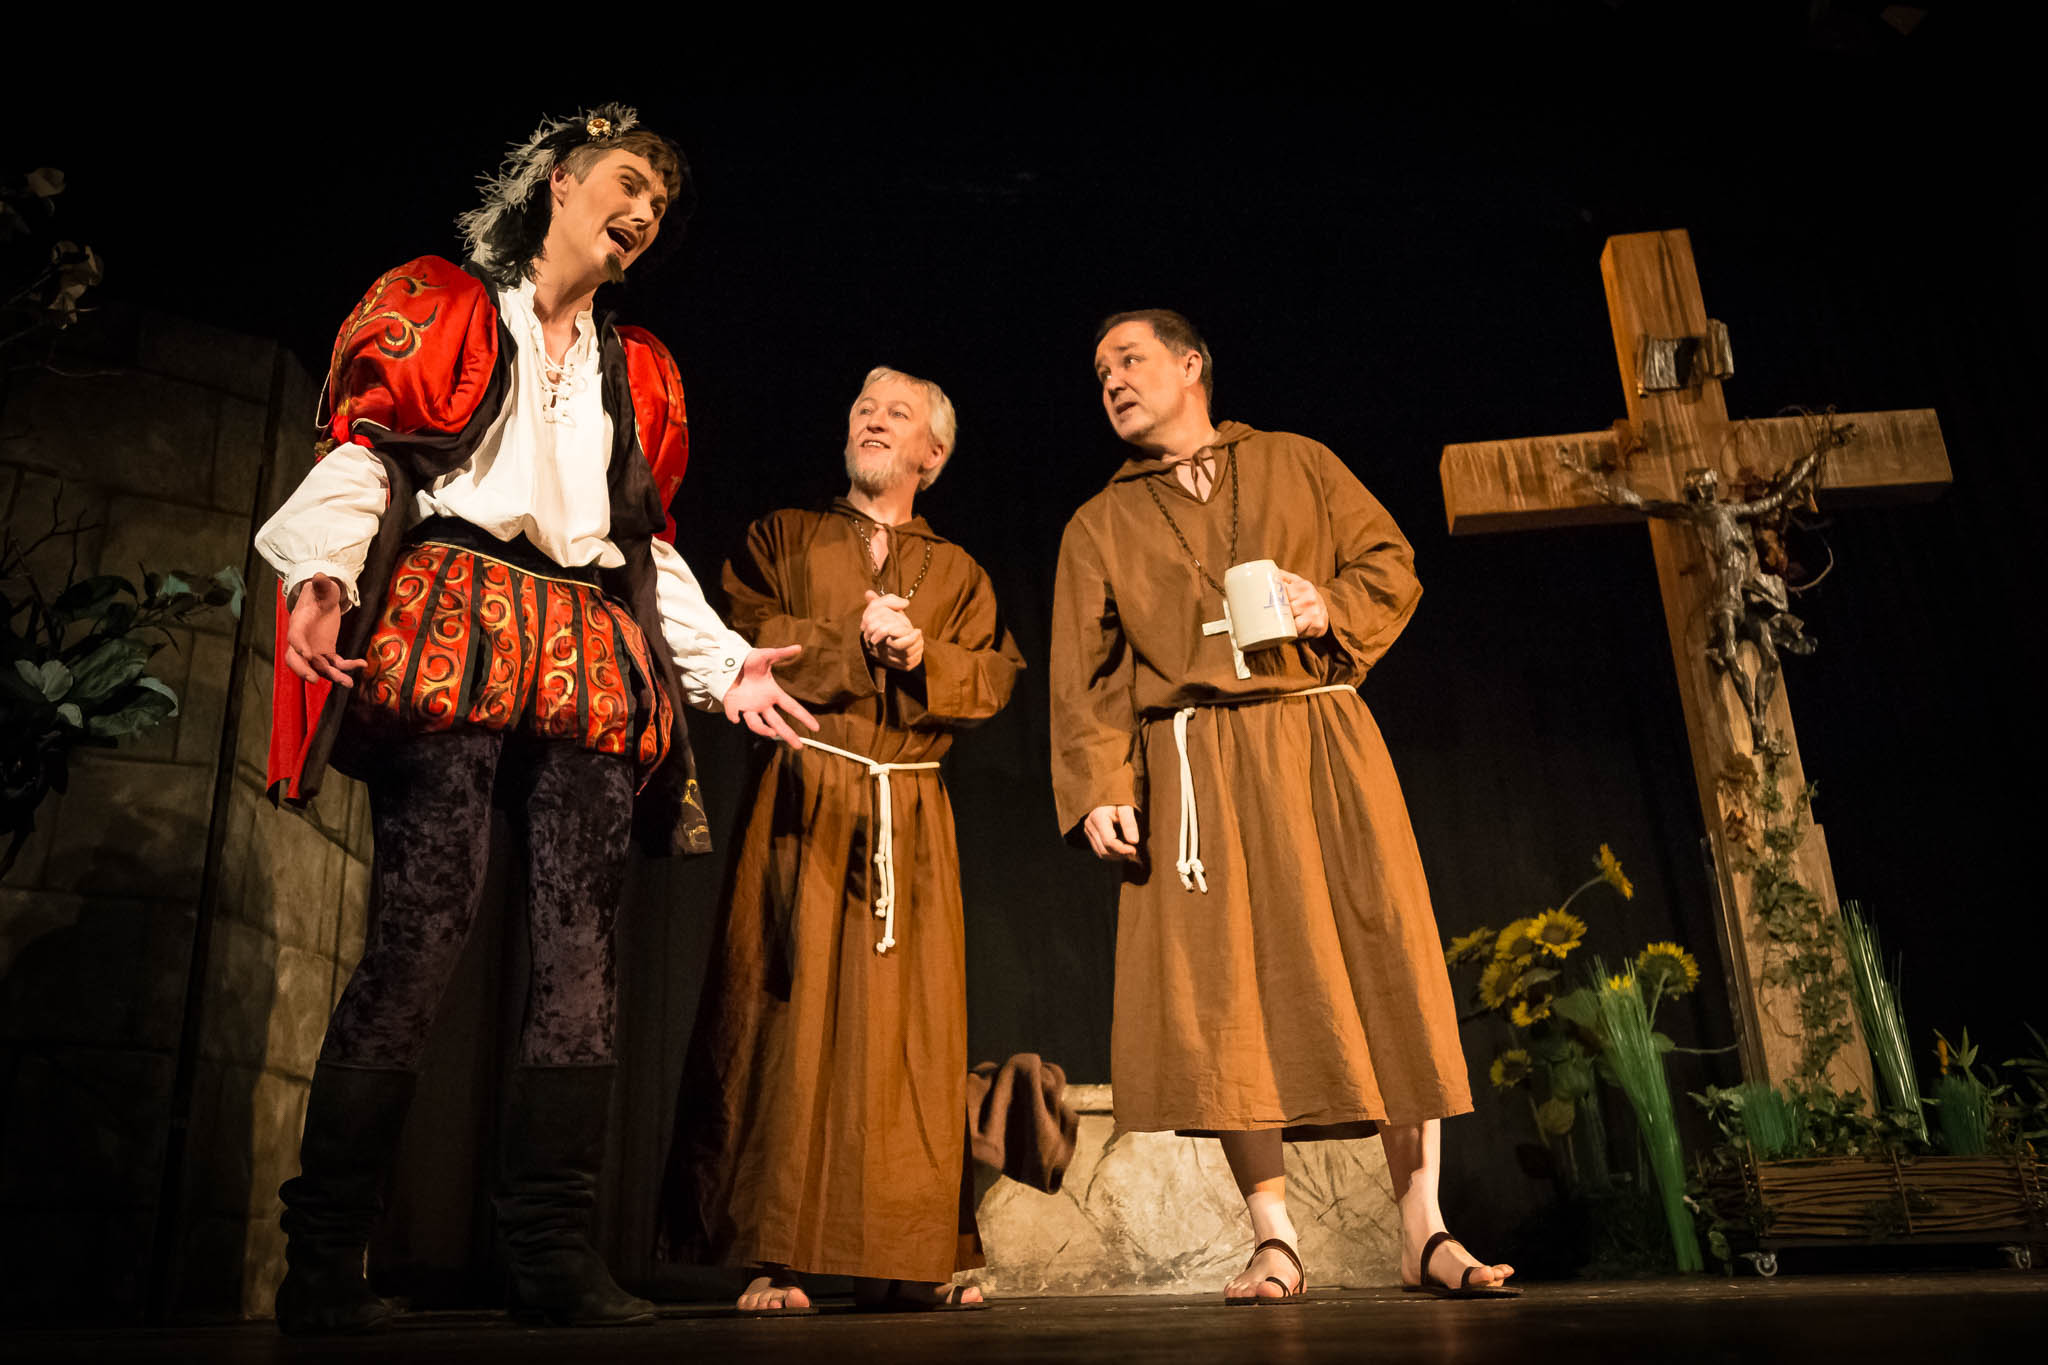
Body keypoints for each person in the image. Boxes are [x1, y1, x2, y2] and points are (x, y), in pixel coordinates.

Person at [254, 105, 815, 1336]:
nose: (642, 216)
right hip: (455, 611)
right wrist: (322, 579)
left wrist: (724, 669)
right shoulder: (444, 303)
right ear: (560, 182)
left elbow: (640, 544)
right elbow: (370, 457)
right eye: (626, 185)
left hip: (584, 642)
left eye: (658, 208)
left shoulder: (641, 367)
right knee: (422, 930)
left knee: (581, 956)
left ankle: (551, 1254)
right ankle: (323, 1259)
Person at [1049, 310, 1516, 1302]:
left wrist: (1326, 606)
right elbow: (1081, 680)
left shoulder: (1297, 463)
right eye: (1098, 374)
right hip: (1192, 763)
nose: (1111, 382)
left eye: (1129, 360)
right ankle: (1272, 1238)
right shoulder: (1097, 523)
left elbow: (1387, 562)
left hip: (1319, 738)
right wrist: (1097, 788)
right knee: (1224, 991)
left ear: (1190, 367)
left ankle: (1422, 1230)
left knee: (1377, 954)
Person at [661, 366, 1022, 1315]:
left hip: (908, 812)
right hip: (804, 790)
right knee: (781, 1014)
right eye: (864, 408)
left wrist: (919, 655)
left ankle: (910, 1255)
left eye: (897, 414)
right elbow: (736, 630)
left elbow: (990, 681)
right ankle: (772, 1255)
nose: (872, 420)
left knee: (911, 1037)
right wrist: (852, 647)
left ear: (931, 456)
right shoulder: (784, 536)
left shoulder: (960, 574)